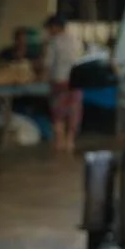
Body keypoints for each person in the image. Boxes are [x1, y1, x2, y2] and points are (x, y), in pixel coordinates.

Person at [42, 13, 83, 154]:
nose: (48, 31)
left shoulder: (54, 42)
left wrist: (42, 75)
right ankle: (70, 141)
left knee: (58, 113)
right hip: (75, 81)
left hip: (59, 81)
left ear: (55, 27)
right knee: (73, 112)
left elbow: (48, 63)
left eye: (49, 28)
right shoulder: (76, 40)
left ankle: (59, 142)